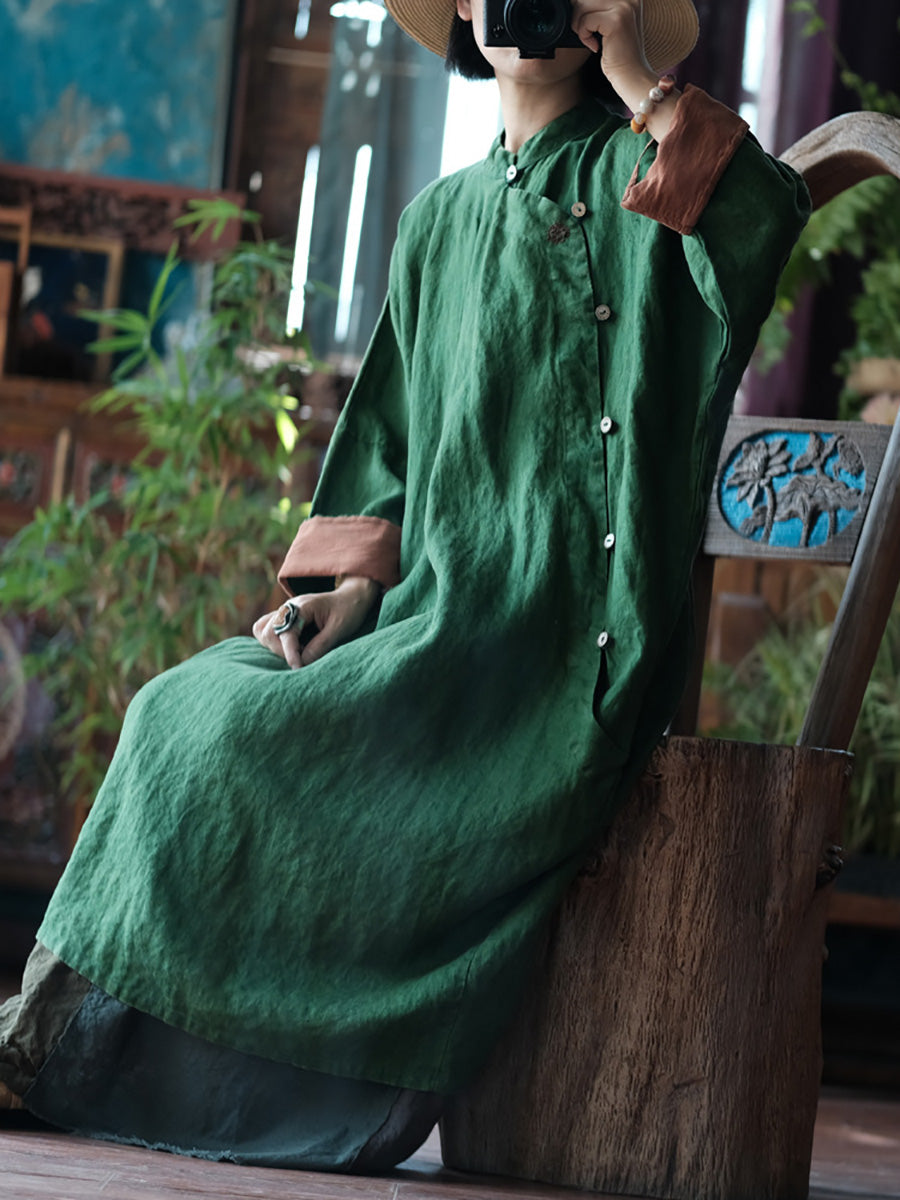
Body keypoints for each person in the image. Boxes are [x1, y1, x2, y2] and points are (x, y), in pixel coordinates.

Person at [0, 0, 810, 1172]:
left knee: (216, 736)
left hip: (563, 645)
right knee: (179, 708)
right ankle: (58, 1046)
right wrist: (348, 593)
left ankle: (64, 1054)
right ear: (466, 12)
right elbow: (386, 445)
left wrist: (637, 74)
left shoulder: (645, 172)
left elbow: (764, 222)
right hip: (429, 617)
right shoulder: (437, 220)